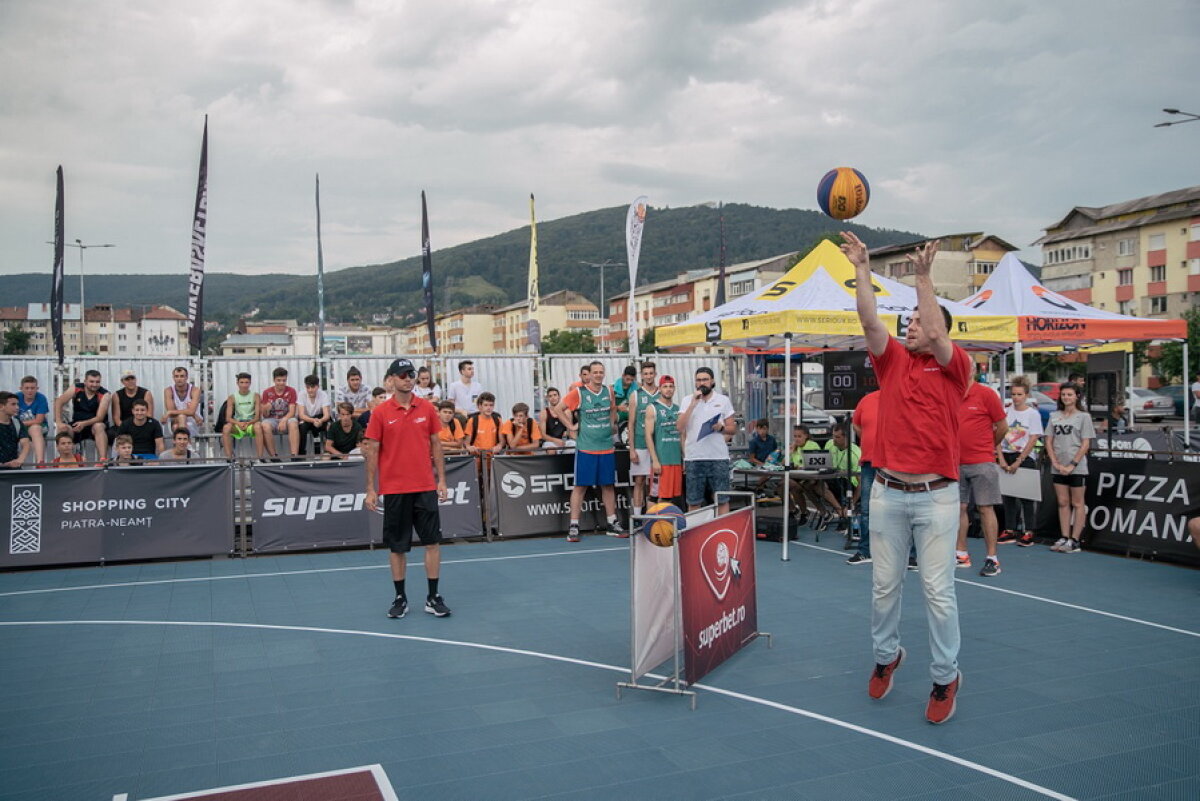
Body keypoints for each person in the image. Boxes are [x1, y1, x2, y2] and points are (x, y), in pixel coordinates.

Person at [844, 230, 971, 725]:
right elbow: (869, 318)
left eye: (918, 318)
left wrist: (922, 278)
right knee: (883, 586)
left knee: (938, 591)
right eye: (911, 318)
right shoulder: (892, 361)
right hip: (889, 491)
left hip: (937, 496)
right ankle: (887, 656)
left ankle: (945, 677)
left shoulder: (956, 367)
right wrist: (862, 266)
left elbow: (938, 335)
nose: (911, 324)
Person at [363, 357, 451, 620]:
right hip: (394, 489)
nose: (407, 378)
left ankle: (433, 597)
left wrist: (442, 480)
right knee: (397, 547)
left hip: (424, 486)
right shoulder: (380, 413)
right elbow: (372, 451)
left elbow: (436, 445)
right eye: (402, 375)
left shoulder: (426, 408)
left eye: (410, 374)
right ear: (391, 380)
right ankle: (400, 597)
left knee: (432, 543)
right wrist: (371, 488)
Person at [554, 360, 624, 541]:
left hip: (606, 447)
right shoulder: (579, 392)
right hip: (586, 448)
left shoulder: (608, 391)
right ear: (589, 374)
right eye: (595, 372)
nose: (599, 375)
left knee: (608, 485)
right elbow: (558, 409)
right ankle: (574, 526)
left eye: (601, 372)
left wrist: (612, 425)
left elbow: (613, 409)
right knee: (580, 487)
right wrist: (570, 426)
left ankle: (611, 522)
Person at [954, 379, 1008, 577]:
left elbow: (1002, 426)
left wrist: (987, 446)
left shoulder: (986, 394)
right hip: (955, 462)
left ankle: (992, 558)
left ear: (972, 371)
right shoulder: (950, 391)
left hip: (982, 461)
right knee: (959, 507)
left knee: (985, 508)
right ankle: (961, 554)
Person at [678, 367, 736, 514]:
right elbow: (679, 427)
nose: (701, 383)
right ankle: (695, 534)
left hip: (718, 457)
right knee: (693, 500)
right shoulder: (687, 400)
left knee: (722, 499)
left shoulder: (723, 400)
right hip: (694, 458)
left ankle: (723, 533)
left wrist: (721, 428)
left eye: (705, 379)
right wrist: (692, 404)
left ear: (712, 381)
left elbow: (732, 428)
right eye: (698, 380)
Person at [1046, 383, 1094, 554]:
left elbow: (1085, 443)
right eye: (1064, 394)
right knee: (1062, 502)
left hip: (1077, 467)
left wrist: (1072, 464)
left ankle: (1075, 540)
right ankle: (1064, 536)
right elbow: (1049, 441)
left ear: (1077, 396)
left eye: (1070, 394)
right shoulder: (1054, 416)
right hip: (1058, 467)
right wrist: (1055, 463)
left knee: (1077, 502)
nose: (1066, 397)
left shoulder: (1083, 417)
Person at [997, 376, 1043, 548]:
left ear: (1026, 395)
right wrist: (1000, 457)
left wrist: (1020, 459)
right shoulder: (1005, 411)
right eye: (1013, 394)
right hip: (1006, 454)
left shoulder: (1033, 414)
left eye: (1019, 394)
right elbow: (998, 434)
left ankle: (1028, 531)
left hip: (1024, 457)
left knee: (1026, 497)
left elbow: (1033, 439)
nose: (1016, 397)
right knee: (1007, 496)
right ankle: (1010, 529)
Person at [847, 390, 881, 565]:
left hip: (895, 463)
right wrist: (869, 439)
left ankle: (911, 554)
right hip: (869, 462)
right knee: (867, 509)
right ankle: (865, 551)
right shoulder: (867, 400)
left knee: (904, 510)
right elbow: (856, 425)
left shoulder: (902, 397)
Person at [787, 424, 843, 527]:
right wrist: (789, 452)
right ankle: (799, 511)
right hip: (803, 478)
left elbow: (817, 465)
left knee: (810, 486)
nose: (796, 439)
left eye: (799, 436)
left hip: (821, 478)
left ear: (806, 436)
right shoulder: (795, 447)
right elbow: (785, 464)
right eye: (795, 436)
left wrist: (800, 467)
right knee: (784, 485)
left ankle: (837, 512)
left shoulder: (812, 446)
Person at [53, 370, 110, 460]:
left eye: (97, 382)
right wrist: (59, 422)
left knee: (99, 426)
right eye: (91, 381)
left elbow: (100, 417)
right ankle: (65, 460)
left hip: (94, 424)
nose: (94, 384)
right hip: (77, 424)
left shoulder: (105, 394)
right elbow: (59, 401)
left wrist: (83, 424)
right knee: (63, 428)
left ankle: (103, 460)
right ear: (85, 381)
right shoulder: (76, 388)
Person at [643, 375, 683, 504]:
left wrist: (685, 457)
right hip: (662, 460)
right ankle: (651, 523)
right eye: (665, 387)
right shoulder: (653, 408)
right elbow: (648, 435)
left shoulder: (678, 409)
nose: (668, 389)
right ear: (659, 389)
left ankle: (666, 523)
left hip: (675, 459)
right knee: (655, 497)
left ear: (674, 389)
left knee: (670, 497)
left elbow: (682, 435)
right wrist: (655, 460)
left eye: (671, 386)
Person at [628, 361, 660, 514]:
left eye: (651, 373)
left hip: (658, 445)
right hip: (641, 444)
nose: (648, 376)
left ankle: (654, 516)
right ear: (642, 375)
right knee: (639, 481)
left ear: (655, 374)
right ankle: (637, 517)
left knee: (656, 482)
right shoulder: (636, 395)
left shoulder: (662, 392)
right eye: (645, 373)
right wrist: (631, 449)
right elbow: (631, 423)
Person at [824, 422, 862, 531]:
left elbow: (861, 483)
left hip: (849, 485)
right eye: (833, 436)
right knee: (811, 484)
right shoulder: (829, 444)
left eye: (837, 437)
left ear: (846, 437)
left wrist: (852, 503)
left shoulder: (855, 453)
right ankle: (838, 511)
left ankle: (844, 513)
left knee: (838, 482)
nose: (833, 439)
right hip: (833, 479)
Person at [257, 367, 299, 459]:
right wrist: (266, 409)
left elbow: (292, 411)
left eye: (284, 380)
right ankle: (274, 456)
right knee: (265, 425)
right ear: (274, 380)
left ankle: (294, 455)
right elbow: (265, 415)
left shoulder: (291, 391)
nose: (281, 383)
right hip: (272, 419)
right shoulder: (267, 392)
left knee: (293, 423)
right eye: (278, 380)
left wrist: (284, 420)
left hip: (287, 417)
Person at [221, 373, 261, 459]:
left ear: (250, 383)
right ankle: (229, 458)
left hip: (251, 424)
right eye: (242, 382)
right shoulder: (232, 397)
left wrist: (248, 423)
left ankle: (260, 458)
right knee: (226, 428)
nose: (244, 385)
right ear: (237, 383)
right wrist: (238, 423)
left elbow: (257, 417)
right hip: (238, 424)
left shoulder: (256, 396)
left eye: (247, 382)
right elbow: (228, 418)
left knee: (258, 426)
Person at [110, 370, 154, 438]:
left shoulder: (146, 393)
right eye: (127, 379)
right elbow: (116, 418)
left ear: (136, 380)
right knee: (110, 434)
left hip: (142, 425)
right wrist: (127, 428)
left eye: (132, 378)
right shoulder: (116, 395)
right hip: (123, 426)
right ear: (122, 381)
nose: (130, 381)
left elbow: (149, 415)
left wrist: (137, 427)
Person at [161, 366, 203, 437]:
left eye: (182, 376)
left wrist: (170, 412)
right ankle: (187, 446)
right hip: (176, 420)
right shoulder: (168, 390)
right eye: (176, 376)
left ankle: (181, 447)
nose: (179, 379)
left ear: (187, 377)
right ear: (173, 378)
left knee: (178, 423)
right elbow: (172, 414)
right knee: (180, 419)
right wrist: (189, 412)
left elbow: (191, 411)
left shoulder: (194, 390)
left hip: (193, 422)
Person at [296, 374, 331, 456]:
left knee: (329, 425)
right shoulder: (301, 394)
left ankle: (329, 451)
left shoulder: (323, 395)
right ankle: (301, 454)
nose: (310, 390)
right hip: (307, 419)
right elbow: (301, 415)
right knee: (302, 428)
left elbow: (326, 415)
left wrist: (320, 421)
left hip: (319, 417)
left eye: (313, 387)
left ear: (318, 386)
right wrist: (313, 420)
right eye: (308, 387)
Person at [16, 376, 49, 464]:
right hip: (21, 428)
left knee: (35, 428)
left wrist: (19, 424)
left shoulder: (41, 398)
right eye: (26, 388)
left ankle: (40, 462)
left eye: (32, 388)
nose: (29, 391)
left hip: (40, 427)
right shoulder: (16, 398)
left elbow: (39, 420)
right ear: (21, 389)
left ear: (37, 388)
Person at [746, 418, 779, 498]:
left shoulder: (772, 439)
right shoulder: (754, 442)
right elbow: (752, 458)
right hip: (758, 464)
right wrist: (763, 464)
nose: (762, 431)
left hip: (771, 463)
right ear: (757, 429)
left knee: (778, 470)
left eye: (764, 428)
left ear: (767, 429)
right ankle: (759, 488)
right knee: (766, 471)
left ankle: (778, 490)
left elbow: (776, 451)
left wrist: (775, 459)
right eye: (759, 428)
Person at [0, 391, 31, 469]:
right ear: (1, 406)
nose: (17, 407)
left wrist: (19, 460)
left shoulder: (17, 422)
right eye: (13, 404)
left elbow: (26, 443)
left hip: (14, 469)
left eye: (17, 404)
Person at [613, 365, 637, 446]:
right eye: (627, 379)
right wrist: (618, 407)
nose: (629, 382)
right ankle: (616, 441)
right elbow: (608, 406)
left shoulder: (637, 388)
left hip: (632, 413)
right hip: (618, 413)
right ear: (623, 376)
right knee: (612, 418)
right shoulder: (613, 388)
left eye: (632, 380)